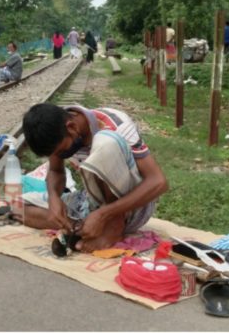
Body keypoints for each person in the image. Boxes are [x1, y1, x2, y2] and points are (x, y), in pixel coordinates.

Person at [18, 103, 169, 252]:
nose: (61, 155)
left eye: (62, 151)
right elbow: (56, 171)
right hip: (91, 203)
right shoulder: (56, 130)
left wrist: (104, 214)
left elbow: (158, 182)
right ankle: (77, 228)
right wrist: (54, 199)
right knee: (19, 207)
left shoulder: (115, 124)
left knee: (105, 141)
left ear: (71, 127)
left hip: (131, 208)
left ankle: (113, 227)